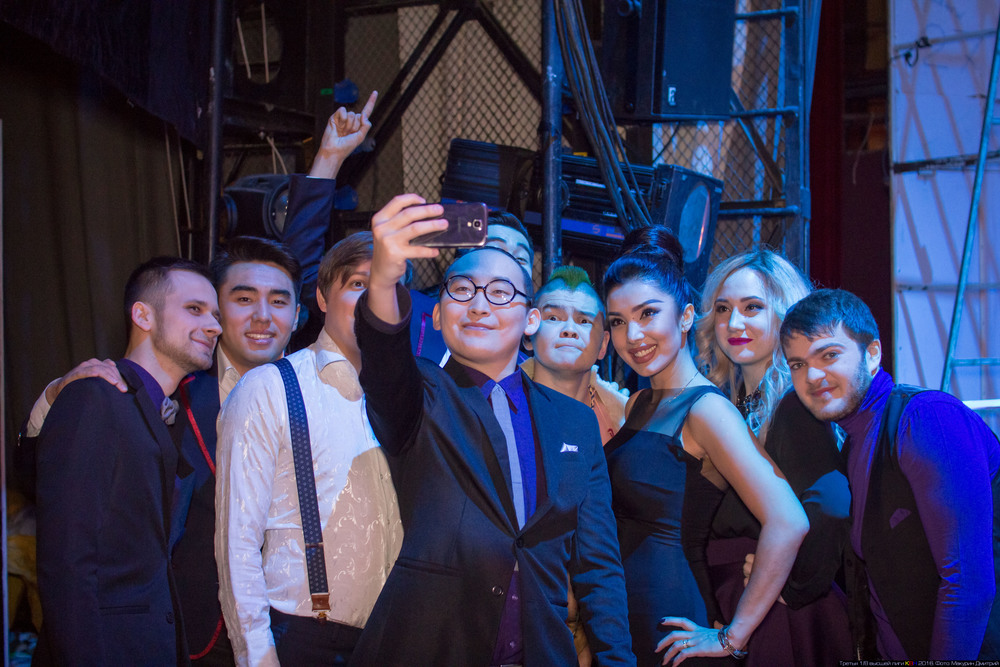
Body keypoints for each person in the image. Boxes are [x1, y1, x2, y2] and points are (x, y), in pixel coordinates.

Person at [19, 95, 376, 664]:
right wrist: (52, 400)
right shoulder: (167, 391)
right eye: (239, 300)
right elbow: (56, 498)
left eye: (279, 303)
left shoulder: (305, 384)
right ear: (217, 311)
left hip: (274, 632)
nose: (262, 316)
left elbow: (292, 266)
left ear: (297, 316)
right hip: (176, 634)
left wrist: (328, 160)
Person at [351, 194, 634, 665]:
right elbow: (383, 358)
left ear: (530, 320)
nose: (479, 305)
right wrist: (382, 278)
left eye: (501, 293)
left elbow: (599, 566)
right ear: (436, 314)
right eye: (462, 290)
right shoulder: (420, 394)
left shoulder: (574, 422)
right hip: (432, 648)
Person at [601, 227, 808, 665]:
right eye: (617, 321)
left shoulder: (707, 409)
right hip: (624, 621)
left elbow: (788, 520)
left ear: (686, 317)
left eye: (647, 314)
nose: (633, 335)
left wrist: (733, 637)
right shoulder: (639, 403)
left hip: (674, 628)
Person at [780, 288, 1000, 660]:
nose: (812, 375)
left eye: (829, 355)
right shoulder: (855, 441)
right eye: (798, 364)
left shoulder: (927, 418)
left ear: (873, 354)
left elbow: (969, 586)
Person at [215, 232, 402, 666]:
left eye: (387, 287)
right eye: (359, 284)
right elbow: (237, 544)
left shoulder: (410, 394)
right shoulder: (269, 387)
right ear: (320, 298)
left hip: (392, 638)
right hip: (304, 636)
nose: (373, 299)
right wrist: (257, 657)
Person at [33, 257, 221, 665]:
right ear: (143, 315)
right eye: (195, 309)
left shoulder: (162, 413)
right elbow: (67, 562)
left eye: (215, 316)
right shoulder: (96, 396)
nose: (214, 327)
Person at [697, 250, 852, 666]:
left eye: (752, 308)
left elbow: (833, 503)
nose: (734, 323)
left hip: (782, 620)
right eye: (723, 309)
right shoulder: (733, 402)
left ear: (784, 316)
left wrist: (793, 582)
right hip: (747, 607)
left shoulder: (792, 405)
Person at [521, 265, 629, 666]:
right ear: (529, 331)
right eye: (553, 317)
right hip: (520, 622)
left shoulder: (627, 419)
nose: (569, 329)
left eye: (584, 321)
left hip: (604, 621)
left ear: (603, 345)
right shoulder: (494, 406)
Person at [409, 209, 535, 363]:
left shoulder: (529, 369)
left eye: (521, 259)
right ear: (459, 262)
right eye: (494, 249)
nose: (510, 262)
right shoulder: (410, 311)